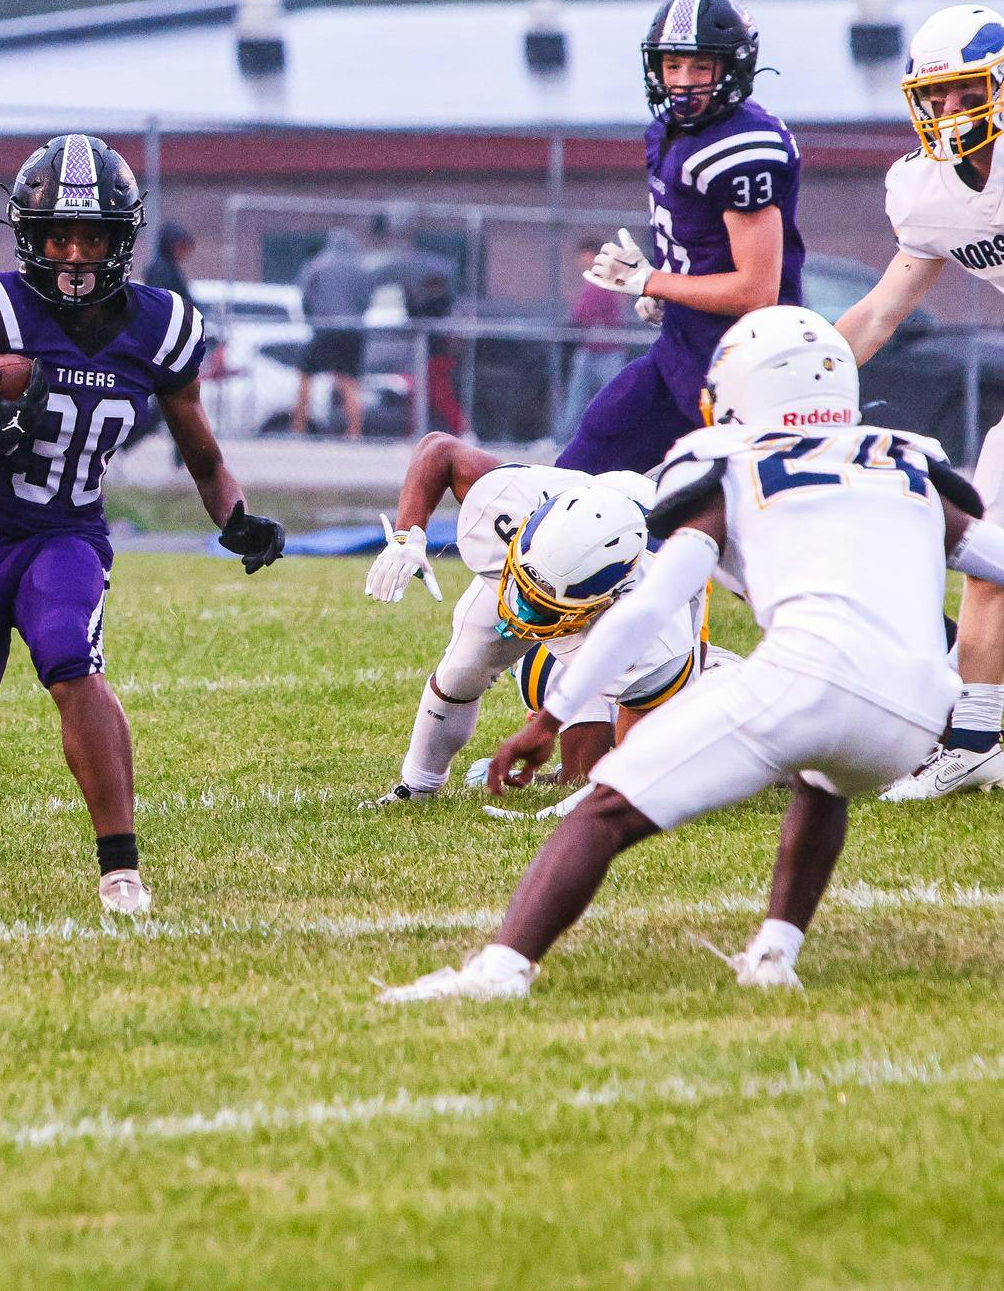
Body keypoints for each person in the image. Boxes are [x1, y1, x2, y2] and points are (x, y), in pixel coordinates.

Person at [378, 307, 1004, 1002]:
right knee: (823, 779)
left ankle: (498, 970)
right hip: (912, 716)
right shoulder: (907, 460)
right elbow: (990, 557)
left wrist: (548, 717)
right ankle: (774, 951)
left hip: (803, 681)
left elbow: (648, 604)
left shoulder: (729, 464)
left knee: (603, 810)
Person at [0, 134, 285, 914]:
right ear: (29, 236)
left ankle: (120, 868)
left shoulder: (163, 327)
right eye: (59, 235)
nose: (76, 252)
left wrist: (239, 520)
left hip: (68, 532)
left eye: (93, 236)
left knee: (71, 657)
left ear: (123, 239)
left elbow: (205, 454)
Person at [835, 6, 1004, 800]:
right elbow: (880, 311)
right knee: (989, 549)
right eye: (933, 97)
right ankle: (976, 736)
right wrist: (798, 379)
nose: (948, 112)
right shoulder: (925, 192)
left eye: (965, 90)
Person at [358, 435, 705, 809]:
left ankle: (722, 677)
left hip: (618, 610)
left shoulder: (654, 628)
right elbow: (439, 449)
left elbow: (637, 769)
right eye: (527, 591)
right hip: (562, 564)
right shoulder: (509, 503)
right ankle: (417, 785)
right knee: (461, 667)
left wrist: (557, 814)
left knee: (664, 752)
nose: (524, 611)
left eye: (543, 606)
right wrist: (406, 536)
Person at [557, 0, 804, 476]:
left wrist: (651, 280)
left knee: (730, 517)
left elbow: (758, 290)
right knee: (578, 470)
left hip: (746, 370)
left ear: (733, 67)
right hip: (683, 352)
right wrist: (673, 291)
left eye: (700, 67)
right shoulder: (669, 131)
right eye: (673, 66)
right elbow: (702, 243)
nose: (683, 81)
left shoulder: (742, 146)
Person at [293, 226, 372, 437]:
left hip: (325, 328)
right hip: (353, 331)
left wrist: (312, 318)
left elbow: (305, 295)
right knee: (349, 381)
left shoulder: (318, 265)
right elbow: (367, 300)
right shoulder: (361, 268)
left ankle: (299, 426)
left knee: (305, 374)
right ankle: (355, 431)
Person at [557, 237, 632, 442]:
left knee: (617, 399)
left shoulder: (604, 280)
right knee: (575, 401)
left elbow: (582, 314)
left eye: (585, 255)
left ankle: (624, 439)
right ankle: (561, 443)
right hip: (588, 350)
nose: (581, 260)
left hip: (609, 352)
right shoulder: (589, 281)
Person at [144, 221, 195, 300]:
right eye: (181, 247)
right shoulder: (160, 271)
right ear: (169, 246)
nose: (184, 252)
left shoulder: (171, 268)